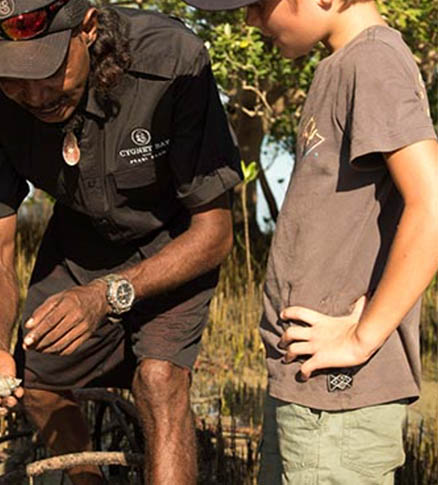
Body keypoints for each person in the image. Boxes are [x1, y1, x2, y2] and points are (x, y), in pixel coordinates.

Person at [0, 0, 242, 483]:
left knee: (159, 381)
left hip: (175, 237)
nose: (35, 95)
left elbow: (214, 232)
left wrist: (107, 295)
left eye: (48, 71)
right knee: (35, 382)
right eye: (14, 79)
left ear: (87, 27)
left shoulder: (171, 60)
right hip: (82, 236)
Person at [184, 0, 438, 483]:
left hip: (338, 399)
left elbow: (433, 205)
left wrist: (363, 336)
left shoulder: (374, 62)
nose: (251, 20)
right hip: (309, 387)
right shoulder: (341, 66)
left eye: (260, 4)